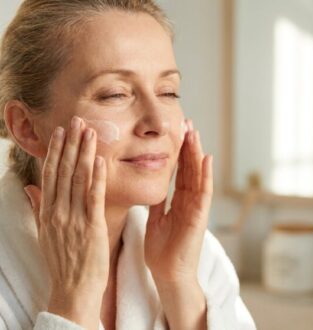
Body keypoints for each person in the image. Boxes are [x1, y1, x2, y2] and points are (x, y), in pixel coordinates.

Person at [0, 0, 256, 329]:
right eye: (115, 94)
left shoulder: (197, 257)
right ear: (26, 126)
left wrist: (178, 283)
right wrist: (73, 301)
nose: (158, 122)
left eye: (168, 92)